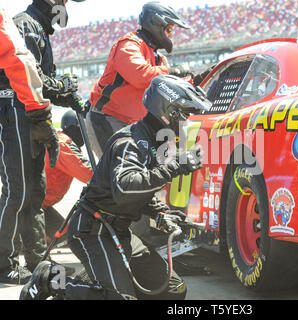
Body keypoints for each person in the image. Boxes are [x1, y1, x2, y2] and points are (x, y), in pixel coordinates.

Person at [20, 74, 211, 300]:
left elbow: (142, 189)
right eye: (185, 115)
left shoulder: (151, 140)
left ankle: (101, 283)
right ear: (168, 111)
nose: (187, 122)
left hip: (120, 233)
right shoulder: (130, 142)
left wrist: (160, 213)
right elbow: (125, 189)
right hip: (92, 230)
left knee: (173, 291)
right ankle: (51, 279)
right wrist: (176, 166)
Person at [0, 0, 84, 284]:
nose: (65, 8)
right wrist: (62, 86)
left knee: (35, 191)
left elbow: (41, 81)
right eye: (63, 2)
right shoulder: (25, 24)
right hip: (14, 110)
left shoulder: (40, 30)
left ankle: (38, 262)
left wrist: (66, 93)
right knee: (18, 191)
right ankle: (4, 264)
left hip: (28, 112)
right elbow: (27, 77)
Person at [85, 1, 191, 159]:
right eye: (169, 30)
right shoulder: (129, 45)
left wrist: (195, 80)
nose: (171, 35)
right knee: (118, 174)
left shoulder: (159, 59)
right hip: (107, 117)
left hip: (133, 123)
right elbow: (140, 76)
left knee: (143, 174)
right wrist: (172, 72)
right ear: (157, 25)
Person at [43, 110, 93, 244]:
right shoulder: (63, 144)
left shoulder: (61, 141)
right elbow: (88, 173)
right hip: (31, 207)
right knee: (35, 242)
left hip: (40, 206)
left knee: (64, 236)